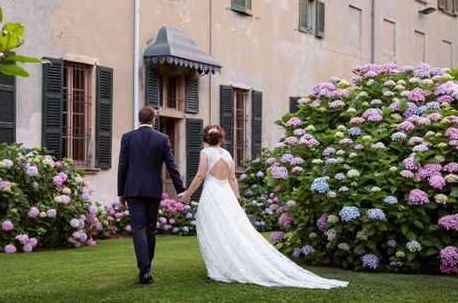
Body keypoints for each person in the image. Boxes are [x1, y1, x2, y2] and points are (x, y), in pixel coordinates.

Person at [180, 124, 348, 289]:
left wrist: (187, 195)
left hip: (212, 196)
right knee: (231, 230)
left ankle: (219, 267)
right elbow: (232, 179)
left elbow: (201, 175)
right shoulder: (228, 155)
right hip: (227, 197)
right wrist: (239, 201)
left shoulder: (205, 153)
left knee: (215, 229)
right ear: (221, 138)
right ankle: (224, 264)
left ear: (205, 138)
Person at [118, 107, 186, 285]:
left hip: (132, 190)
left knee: (138, 229)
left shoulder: (127, 137)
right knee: (150, 229)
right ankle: (147, 269)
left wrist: (121, 193)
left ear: (139, 119)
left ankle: (145, 270)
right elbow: (171, 165)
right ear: (153, 120)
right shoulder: (162, 138)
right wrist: (180, 190)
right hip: (153, 190)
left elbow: (122, 166)